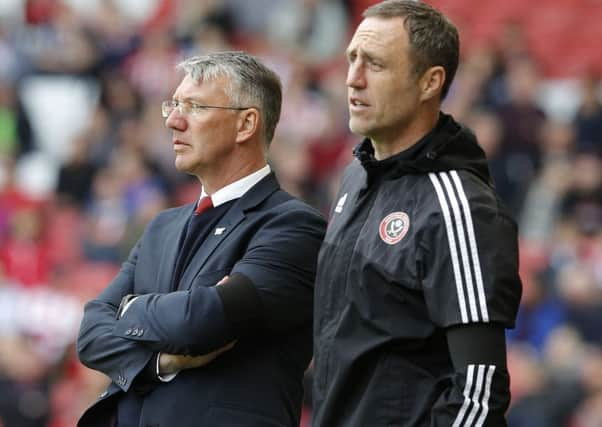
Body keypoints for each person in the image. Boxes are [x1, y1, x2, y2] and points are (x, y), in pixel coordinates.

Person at [76, 51, 326, 427]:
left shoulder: (293, 225)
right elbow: (91, 332)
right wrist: (161, 362)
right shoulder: (161, 226)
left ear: (246, 124)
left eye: (193, 107)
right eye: (173, 106)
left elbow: (203, 321)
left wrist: (129, 308)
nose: (174, 121)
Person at [312, 1, 522, 426]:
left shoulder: (461, 207)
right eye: (352, 59)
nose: (353, 79)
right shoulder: (356, 177)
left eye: (375, 64)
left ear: (430, 82)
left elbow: (479, 392)